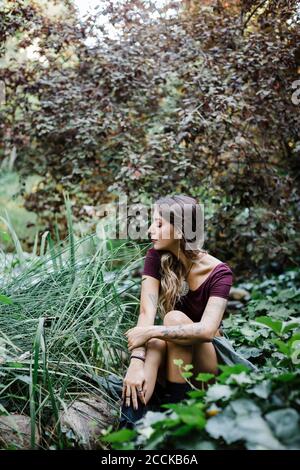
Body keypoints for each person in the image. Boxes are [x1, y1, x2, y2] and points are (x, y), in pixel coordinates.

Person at [119, 195, 256, 429]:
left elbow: (207, 331)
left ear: (181, 231)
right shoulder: (156, 256)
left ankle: (176, 408)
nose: (151, 230)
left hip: (207, 364)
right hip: (172, 354)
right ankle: (131, 425)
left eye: (159, 224)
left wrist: (151, 331)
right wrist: (135, 361)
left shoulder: (219, 273)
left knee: (172, 320)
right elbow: (146, 313)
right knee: (155, 344)